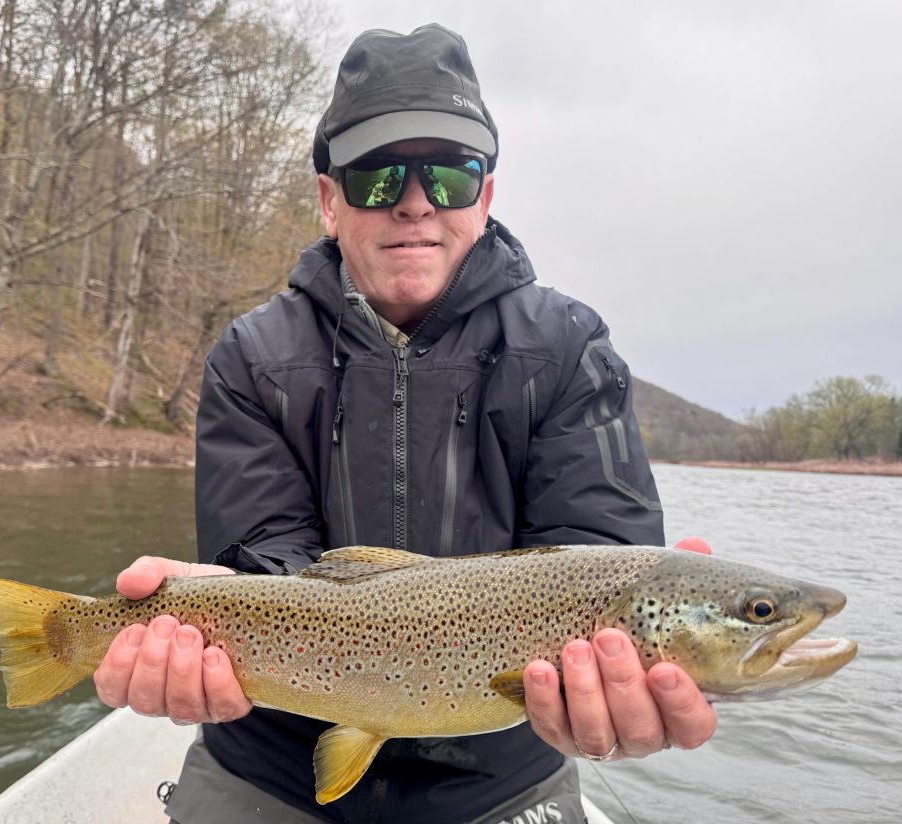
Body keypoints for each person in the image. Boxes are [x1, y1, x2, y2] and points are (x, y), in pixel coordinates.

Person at [93, 24, 718, 824]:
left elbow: (598, 559)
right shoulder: (252, 356)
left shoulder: (568, 348)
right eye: (377, 176)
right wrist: (214, 619)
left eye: (450, 175)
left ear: (485, 198)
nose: (415, 201)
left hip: (502, 777)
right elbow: (262, 556)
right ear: (330, 202)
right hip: (271, 761)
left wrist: (613, 691)